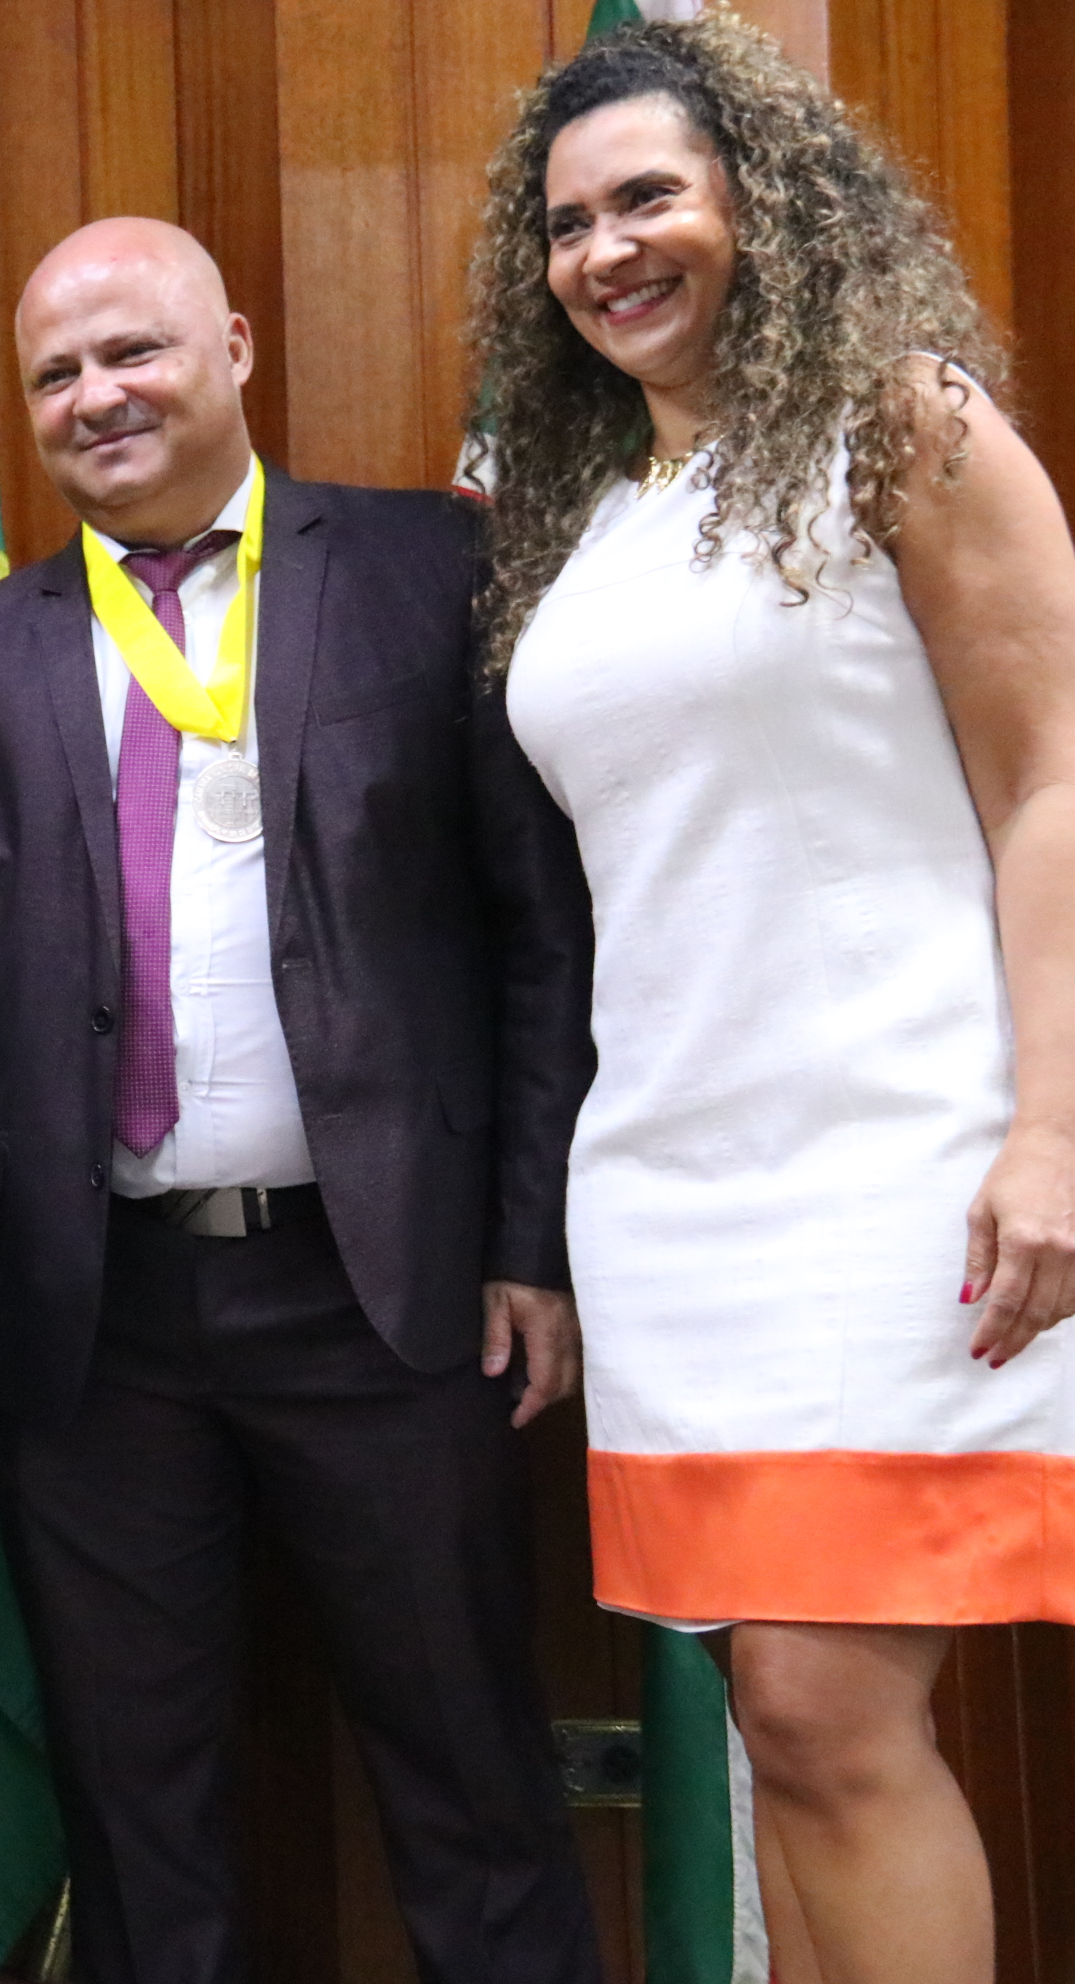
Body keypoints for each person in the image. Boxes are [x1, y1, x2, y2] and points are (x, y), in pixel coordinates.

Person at [0, 218, 605, 1984]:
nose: (95, 396)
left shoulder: (429, 568)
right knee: (137, 1815)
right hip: (99, 1317)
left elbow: (536, 931)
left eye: (135, 351)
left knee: (471, 1779)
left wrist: (530, 1243)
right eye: (56, 374)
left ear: (236, 347)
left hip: (391, 1295)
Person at [473, 20, 1075, 1984]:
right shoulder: (595, 515)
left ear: (768, 199)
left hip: (895, 1155)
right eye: (568, 224)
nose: (606, 251)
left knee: (826, 1708)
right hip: (670, 1188)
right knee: (773, 1723)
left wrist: (1056, 1128)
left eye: (650, 196)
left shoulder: (903, 424)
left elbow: (1052, 781)